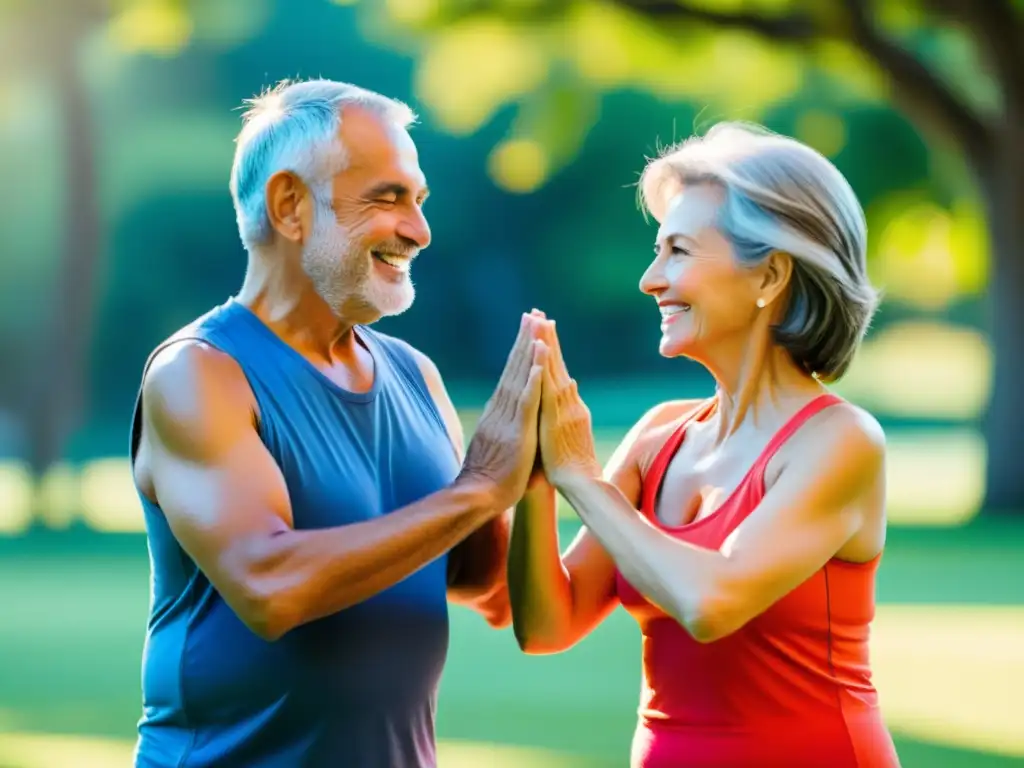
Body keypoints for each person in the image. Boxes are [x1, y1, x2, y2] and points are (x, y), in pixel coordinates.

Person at [129, 79, 549, 768]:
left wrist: (534, 461)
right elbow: (269, 585)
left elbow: (483, 584)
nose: (419, 230)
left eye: (418, 200)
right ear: (289, 205)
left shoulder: (417, 374)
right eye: (387, 199)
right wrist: (479, 488)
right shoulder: (200, 373)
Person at [511, 122, 901, 767]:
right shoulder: (659, 435)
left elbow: (710, 603)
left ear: (770, 275)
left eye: (679, 252)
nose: (650, 278)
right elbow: (547, 626)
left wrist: (580, 475)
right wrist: (535, 470)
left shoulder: (840, 440)